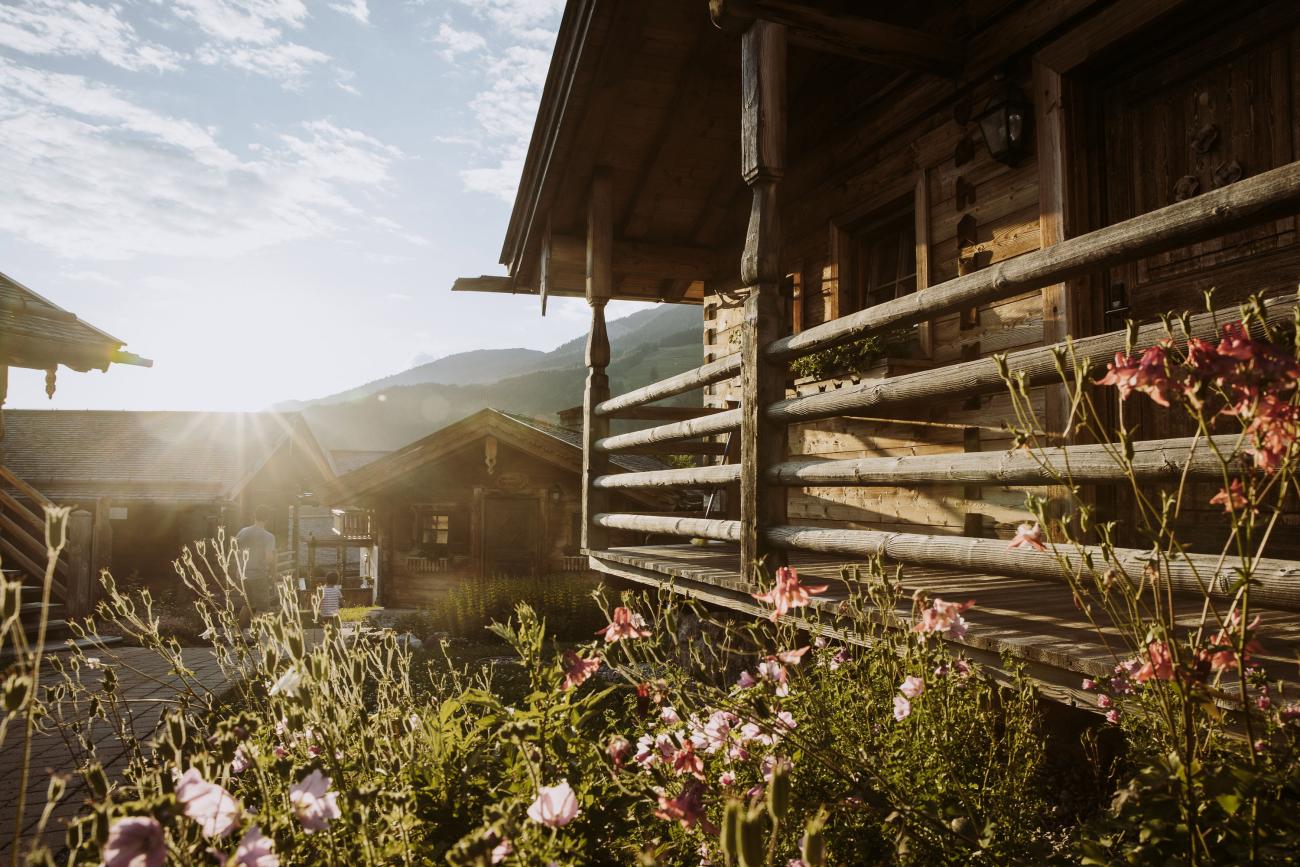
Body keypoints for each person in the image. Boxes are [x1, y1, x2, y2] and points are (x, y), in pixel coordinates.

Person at [234, 505, 278, 618]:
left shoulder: (242, 531)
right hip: (258, 575)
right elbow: (269, 559)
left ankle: (238, 632)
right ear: (267, 518)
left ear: (254, 516)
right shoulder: (269, 537)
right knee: (262, 608)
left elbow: (234, 550)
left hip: (241, 575)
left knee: (247, 605)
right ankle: (257, 634)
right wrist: (274, 573)